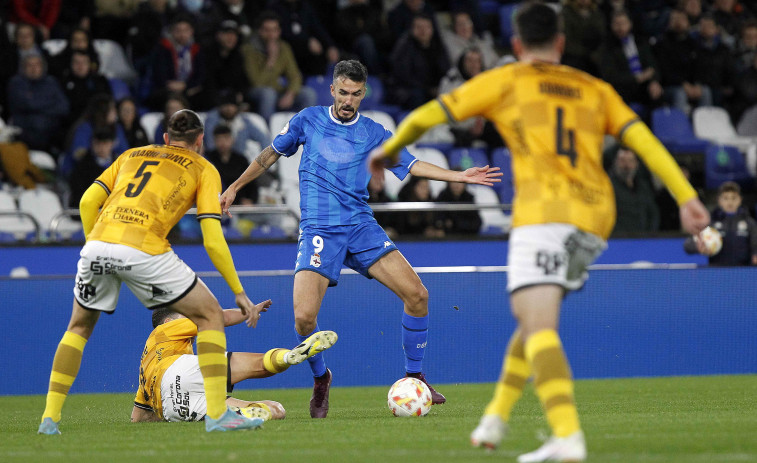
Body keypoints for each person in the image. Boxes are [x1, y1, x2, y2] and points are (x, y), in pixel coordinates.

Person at [368, 3, 710, 461]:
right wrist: (686, 196)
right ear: (562, 43)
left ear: (515, 45)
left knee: (538, 321)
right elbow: (644, 140)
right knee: (535, 315)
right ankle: (497, 415)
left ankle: (567, 434)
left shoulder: (507, 81)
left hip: (545, 213)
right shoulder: (594, 87)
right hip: (596, 216)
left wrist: (385, 151)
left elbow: (428, 115)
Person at [219, 59, 502, 418]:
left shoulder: (374, 132)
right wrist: (234, 187)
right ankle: (321, 378)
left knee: (418, 295)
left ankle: (415, 377)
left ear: (363, 93)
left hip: (360, 226)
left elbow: (411, 164)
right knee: (304, 319)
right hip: (319, 230)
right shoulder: (308, 119)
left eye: (355, 94)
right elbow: (269, 156)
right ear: (332, 89)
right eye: (343, 92)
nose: (348, 100)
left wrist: (458, 176)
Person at [38, 109, 270, 435]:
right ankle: (218, 415)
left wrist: (96, 248)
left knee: (78, 327)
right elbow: (213, 239)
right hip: (146, 247)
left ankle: (50, 419)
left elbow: (88, 201)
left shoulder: (130, 155)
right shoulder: (204, 168)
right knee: (210, 317)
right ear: (200, 141)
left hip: (98, 244)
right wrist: (239, 292)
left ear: (165, 138)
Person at [131, 307, 338, 423]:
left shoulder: (146, 365)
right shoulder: (165, 330)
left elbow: (139, 417)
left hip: (176, 409)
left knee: (276, 410)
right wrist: (249, 311)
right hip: (181, 370)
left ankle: (249, 414)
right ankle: (288, 357)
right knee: (259, 364)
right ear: (169, 321)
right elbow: (214, 316)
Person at [241, 11, 317, 120]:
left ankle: (305, 132)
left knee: (308, 94)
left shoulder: (283, 47)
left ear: (279, 31)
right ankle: (268, 132)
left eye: (274, 30)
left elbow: (295, 75)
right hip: (255, 93)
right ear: (259, 31)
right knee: (268, 94)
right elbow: (257, 82)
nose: (271, 35)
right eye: (267, 30)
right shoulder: (249, 50)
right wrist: (271, 59)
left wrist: (290, 93)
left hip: (277, 91)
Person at [684, 181, 757, 266]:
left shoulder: (750, 223)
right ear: (719, 200)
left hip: (743, 273)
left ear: (740, 200)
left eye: (734, 198)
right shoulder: (710, 222)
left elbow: (755, 245)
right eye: (725, 198)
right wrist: (699, 247)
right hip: (717, 273)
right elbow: (688, 245)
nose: (730, 202)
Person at [609, 146, 660, 235]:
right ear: (615, 163)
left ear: (636, 164)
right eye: (622, 161)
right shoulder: (608, 186)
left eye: (630, 161)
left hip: (644, 239)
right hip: (618, 240)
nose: (626, 165)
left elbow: (653, 213)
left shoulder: (643, 187)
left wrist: (650, 235)